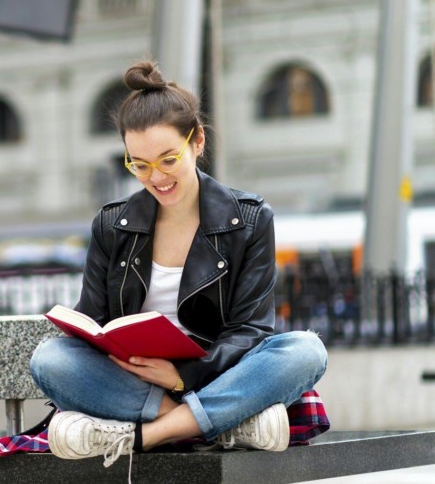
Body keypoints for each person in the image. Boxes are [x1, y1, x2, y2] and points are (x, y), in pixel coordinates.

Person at [29, 60, 328, 469]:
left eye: (168, 159)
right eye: (140, 164)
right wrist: (95, 338)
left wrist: (180, 376)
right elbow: (93, 320)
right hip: (136, 380)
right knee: (50, 360)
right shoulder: (112, 224)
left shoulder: (251, 219)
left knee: (305, 351)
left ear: (198, 142)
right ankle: (222, 427)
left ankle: (147, 434)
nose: (156, 177)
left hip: (217, 373)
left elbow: (252, 330)